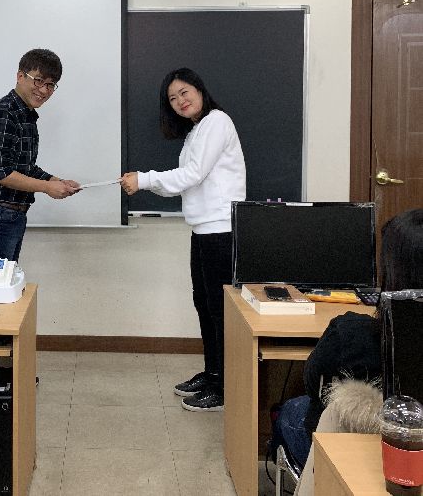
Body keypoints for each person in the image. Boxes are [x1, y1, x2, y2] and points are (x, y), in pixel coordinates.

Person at [120, 68, 246, 411]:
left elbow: (193, 174)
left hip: (222, 230)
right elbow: (187, 181)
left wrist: (144, 180)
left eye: (184, 92)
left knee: (220, 311)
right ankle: (213, 373)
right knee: (204, 304)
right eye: (173, 98)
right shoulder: (196, 131)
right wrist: (144, 182)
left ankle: (225, 388)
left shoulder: (217, 121)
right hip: (203, 230)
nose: (180, 101)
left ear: (199, 89)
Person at [274, 208, 423, 475]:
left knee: (290, 410)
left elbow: (313, 382)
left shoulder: (351, 333)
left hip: (360, 459)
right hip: (409, 466)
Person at [0, 48, 80, 278]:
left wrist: (56, 181)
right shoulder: (3, 113)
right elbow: (1, 173)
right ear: (20, 76)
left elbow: (25, 168)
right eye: (38, 81)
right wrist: (47, 187)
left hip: (9, 216)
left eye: (50, 85)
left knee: (4, 287)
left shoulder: (26, 116)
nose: (44, 90)